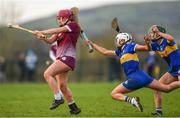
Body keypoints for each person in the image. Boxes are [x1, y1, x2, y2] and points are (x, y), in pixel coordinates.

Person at [85, 32, 180, 112]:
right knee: (166, 88)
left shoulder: (131, 46)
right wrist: (93, 44)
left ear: (121, 40)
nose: (116, 42)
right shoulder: (120, 51)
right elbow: (105, 52)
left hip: (134, 78)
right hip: (144, 76)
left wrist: (147, 42)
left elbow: (146, 48)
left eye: (117, 40)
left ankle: (132, 101)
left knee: (114, 94)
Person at [33, 9, 81, 114]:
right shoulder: (61, 31)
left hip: (67, 58)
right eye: (58, 18)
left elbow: (55, 30)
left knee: (47, 74)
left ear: (68, 18)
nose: (60, 20)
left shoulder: (73, 26)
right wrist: (42, 37)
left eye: (62, 18)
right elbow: (50, 41)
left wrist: (42, 31)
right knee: (62, 86)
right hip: (61, 59)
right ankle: (74, 108)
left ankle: (58, 98)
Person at [145, 25, 180, 116]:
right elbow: (148, 49)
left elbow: (171, 38)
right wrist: (147, 42)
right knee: (157, 87)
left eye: (153, 33)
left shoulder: (167, 41)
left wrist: (159, 32)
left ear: (159, 34)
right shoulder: (155, 45)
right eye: (152, 33)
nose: (152, 35)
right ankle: (159, 111)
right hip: (172, 70)